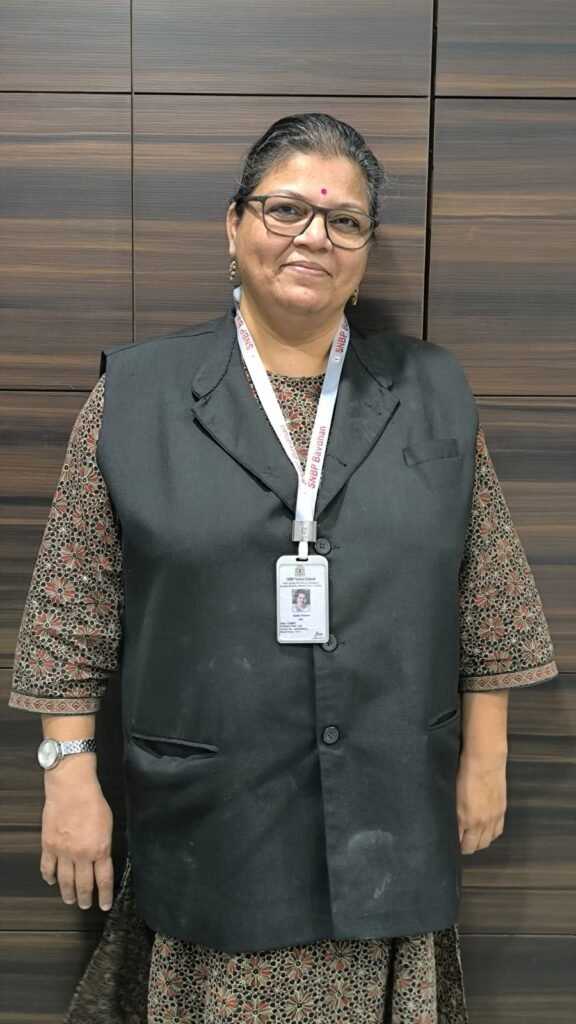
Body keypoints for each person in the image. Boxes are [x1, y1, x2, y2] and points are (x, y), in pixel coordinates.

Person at [8, 113, 558, 1024]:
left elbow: (489, 597)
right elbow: (72, 611)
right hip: (215, 817)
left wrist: (486, 758)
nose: (314, 236)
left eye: (344, 221)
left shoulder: (434, 393)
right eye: (286, 209)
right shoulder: (135, 398)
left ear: (366, 252)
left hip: (391, 811)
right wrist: (67, 776)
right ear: (233, 226)